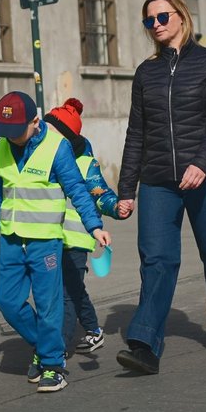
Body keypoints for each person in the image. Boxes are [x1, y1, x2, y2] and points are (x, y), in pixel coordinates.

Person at [116, 0, 206, 376]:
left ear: (181, 17)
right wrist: (126, 190)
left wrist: (201, 162)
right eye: (149, 20)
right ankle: (144, 344)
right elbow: (136, 133)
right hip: (158, 181)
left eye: (162, 17)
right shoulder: (146, 72)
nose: (155, 25)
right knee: (156, 259)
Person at [0, 91, 111, 393]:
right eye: (6, 131)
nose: (11, 138)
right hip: (11, 239)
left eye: (17, 131)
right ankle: (45, 346)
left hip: (45, 241)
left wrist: (94, 227)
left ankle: (53, 365)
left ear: (35, 122)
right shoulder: (1, 147)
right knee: (7, 302)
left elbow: (77, 189)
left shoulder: (57, 147)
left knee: (48, 303)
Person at [42, 98, 126, 357]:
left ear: (66, 138)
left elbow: (100, 193)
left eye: (51, 131)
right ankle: (93, 329)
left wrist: (116, 207)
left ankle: (58, 348)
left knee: (68, 293)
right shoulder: (44, 158)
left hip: (77, 239)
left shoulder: (84, 163)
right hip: (51, 238)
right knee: (71, 289)